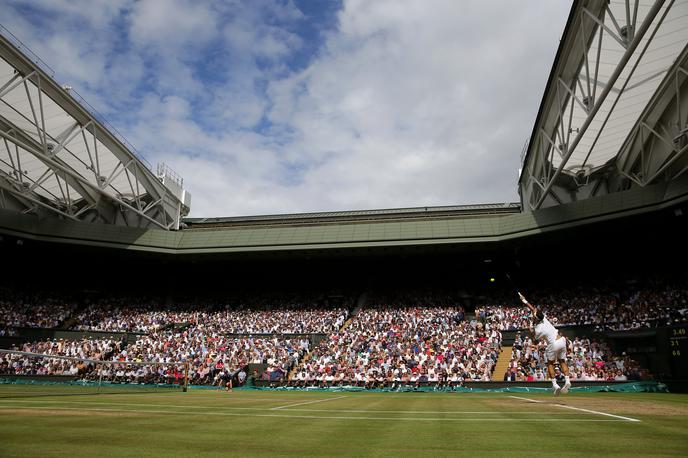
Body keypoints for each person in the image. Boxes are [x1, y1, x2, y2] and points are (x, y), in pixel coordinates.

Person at [518, 292, 571, 394]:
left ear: (535, 318)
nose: (533, 313)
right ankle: (567, 381)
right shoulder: (544, 318)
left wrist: (531, 331)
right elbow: (533, 309)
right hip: (562, 340)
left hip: (554, 344)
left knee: (550, 363)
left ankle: (555, 385)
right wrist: (524, 301)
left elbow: (535, 342)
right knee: (562, 361)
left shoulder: (537, 330)